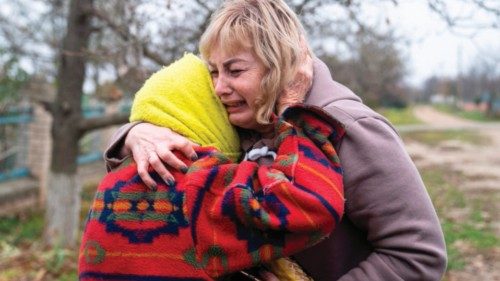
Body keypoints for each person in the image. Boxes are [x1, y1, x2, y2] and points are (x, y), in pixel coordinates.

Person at [105, 0, 448, 280]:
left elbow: (418, 255)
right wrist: (136, 133)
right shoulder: (247, 122)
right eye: (214, 71)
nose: (219, 88)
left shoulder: (350, 127)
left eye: (235, 71)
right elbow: (174, 129)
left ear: (279, 65)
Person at [79, 53, 345, 281]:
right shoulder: (199, 184)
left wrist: (132, 132)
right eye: (224, 110)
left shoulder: (111, 186)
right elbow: (312, 205)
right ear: (207, 113)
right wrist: (295, 112)